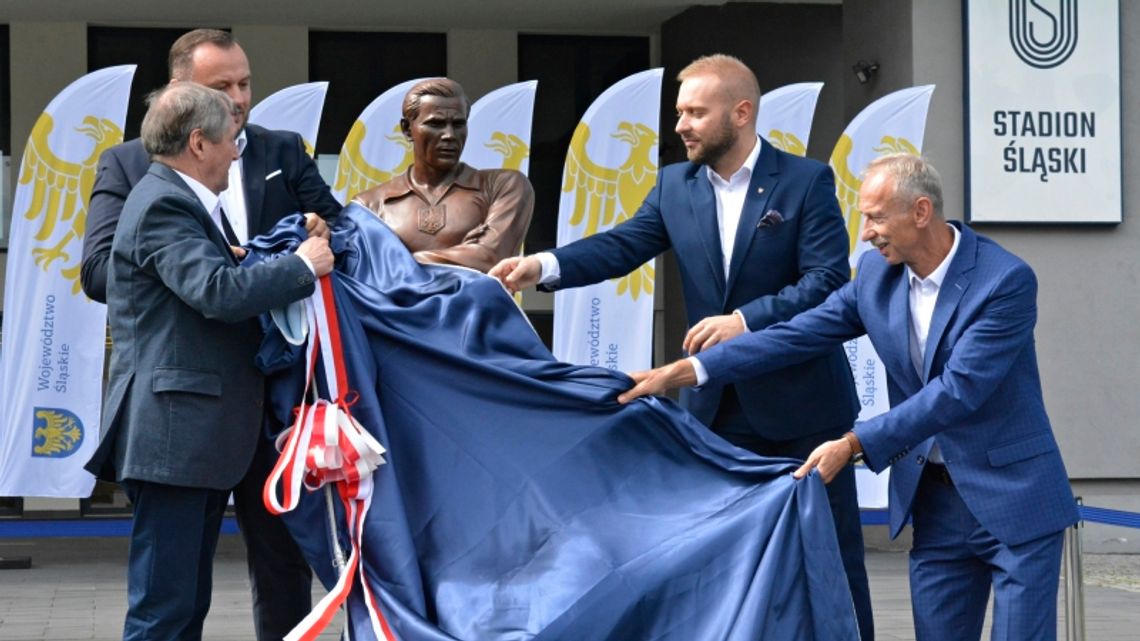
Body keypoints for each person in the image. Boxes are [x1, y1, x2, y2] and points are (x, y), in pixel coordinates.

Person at [620, 153, 1080, 641]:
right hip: (936, 504)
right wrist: (688, 371)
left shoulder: (1004, 280)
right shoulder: (876, 278)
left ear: (921, 212)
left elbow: (958, 391)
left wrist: (854, 444)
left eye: (877, 217)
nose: (866, 233)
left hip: (1014, 498)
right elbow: (798, 334)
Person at [489, 54, 872, 638]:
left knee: (831, 553)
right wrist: (540, 265)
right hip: (714, 411)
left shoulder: (806, 180)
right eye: (679, 112)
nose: (681, 125)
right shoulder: (674, 185)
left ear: (741, 113)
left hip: (804, 409)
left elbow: (826, 282)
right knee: (723, 559)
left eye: (695, 112)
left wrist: (745, 319)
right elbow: (622, 246)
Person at [79, 29, 341, 641]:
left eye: (244, 84)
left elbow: (216, 271)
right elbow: (216, 292)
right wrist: (301, 264)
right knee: (166, 608)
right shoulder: (163, 199)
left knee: (191, 601)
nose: (237, 148)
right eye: (227, 136)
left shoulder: (184, 196)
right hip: (178, 430)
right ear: (198, 139)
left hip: (234, 417)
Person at [352, 77, 534, 273]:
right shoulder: (369, 204)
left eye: (457, 124)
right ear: (407, 129)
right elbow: (363, 276)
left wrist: (398, 262)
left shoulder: (502, 186)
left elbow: (491, 258)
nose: (449, 135)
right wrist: (463, 254)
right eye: (436, 124)